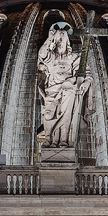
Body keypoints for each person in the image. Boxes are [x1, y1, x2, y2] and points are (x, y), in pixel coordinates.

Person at [37, 21, 92, 149]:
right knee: (49, 114)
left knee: (67, 115)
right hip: (52, 90)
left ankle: (63, 140)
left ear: (68, 42)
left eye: (63, 39)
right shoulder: (52, 57)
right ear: (55, 42)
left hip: (68, 90)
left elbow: (86, 73)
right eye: (58, 39)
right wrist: (50, 37)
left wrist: (86, 83)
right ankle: (49, 138)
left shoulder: (74, 57)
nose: (61, 42)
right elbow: (42, 54)